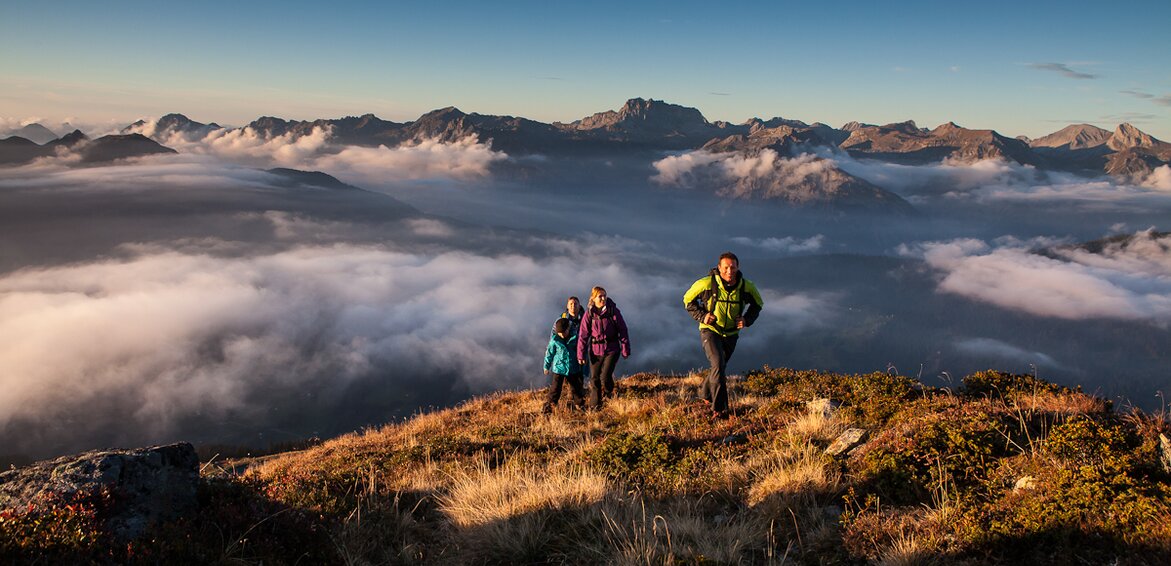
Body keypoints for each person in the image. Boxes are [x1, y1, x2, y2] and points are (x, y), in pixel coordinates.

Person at [683, 252, 763, 418]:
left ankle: (705, 395)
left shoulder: (746, 287)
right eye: (725, 267)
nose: (729, 271)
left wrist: (747, 320)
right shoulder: (706, 284)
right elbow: (687, 300)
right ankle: (719, 409)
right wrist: (702, 316)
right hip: (710, 330)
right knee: (719, 364)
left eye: (732, 267)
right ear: (719, 268)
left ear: (737, 267)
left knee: (718, 367)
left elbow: (758, 304)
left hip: (731, 334)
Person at [577, 286, 630, 410]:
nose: (603, 298)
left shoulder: (613, 311)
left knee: (605, 376)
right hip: (595, 350)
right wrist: (581, 354)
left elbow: (623, 330)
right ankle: (595, 406)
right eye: (600, 296)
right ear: (593, 298)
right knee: (594, 378)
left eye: (604, 295)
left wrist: (625, 348)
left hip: (612, 349)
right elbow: (583, 335)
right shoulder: (589, 314)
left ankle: (608, 392)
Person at [543, 317, 586, 413]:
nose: (562, 335)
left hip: (573, 367)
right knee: (555, 388)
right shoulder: (554, 341)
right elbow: (549, 353)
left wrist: (582, 358)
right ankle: (551, 405)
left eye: (564, 332)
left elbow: (580, 349)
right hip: (559, 368)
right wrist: (546, 366)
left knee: (576, 387)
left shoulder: (575, 337)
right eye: (560, 333)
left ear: (568, 329)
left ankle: (579, 404)